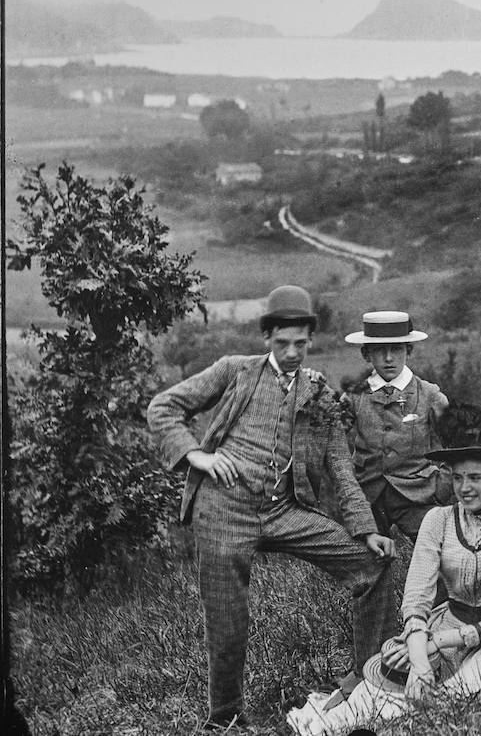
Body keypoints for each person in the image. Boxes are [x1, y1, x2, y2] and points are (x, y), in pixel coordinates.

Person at [147, 285, 394, 729]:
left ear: (311, 339)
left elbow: (340, 467)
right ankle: (225, 717)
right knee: (228, 618)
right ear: (267, 338)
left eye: (301, 343)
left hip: (283, 512)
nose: (293, 352)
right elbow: (164, 407)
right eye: (283, 343)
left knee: (372, 565)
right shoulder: (235, 371)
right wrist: (196, 455)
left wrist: (367, 528)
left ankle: (369, 679)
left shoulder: (319, 393)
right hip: (224, 510)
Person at [286, 413, 481, 735]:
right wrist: (419, 658)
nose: (465, 488)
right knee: (385, 689)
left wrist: (435, 645)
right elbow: (416, 600)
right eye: (458, 478)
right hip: (442, 625)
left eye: (475, 478)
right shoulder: (438, 521)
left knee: (461, 701)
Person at [343, 310, 452, 642]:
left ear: (409, 351)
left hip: (418, 494)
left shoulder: (430, 396)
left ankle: (438, 641)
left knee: (441, 561)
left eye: (397, 349)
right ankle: (375, 654)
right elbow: (333, 449)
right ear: (367, 354)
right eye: (379, 351)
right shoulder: (353, 397)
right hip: (370, 498)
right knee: (368, 570)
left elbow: (455, 446)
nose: (389, 358)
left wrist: (442, 486)